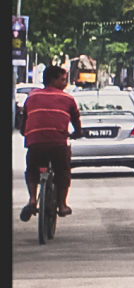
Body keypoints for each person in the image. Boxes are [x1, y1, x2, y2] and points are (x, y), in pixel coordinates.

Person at [20, 65, 82, 221]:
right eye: (63, 80)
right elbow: (76, 121)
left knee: (32, 170)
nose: (65, 84)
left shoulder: (31, 97)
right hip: (58, 144)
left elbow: (23, 125)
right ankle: (61, 205)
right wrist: (77, 133)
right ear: (53, 80)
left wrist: (28, 133)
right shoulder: (68, 99)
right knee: (63, 171)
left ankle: (33, 200)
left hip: (35, 143)